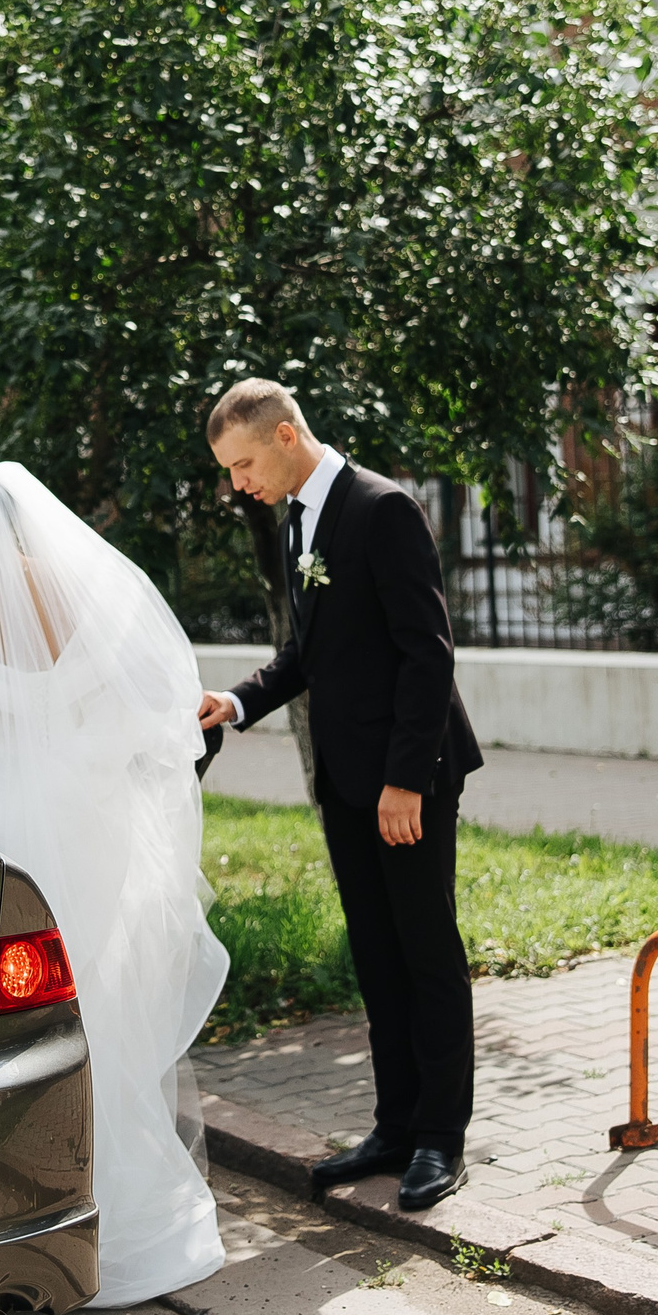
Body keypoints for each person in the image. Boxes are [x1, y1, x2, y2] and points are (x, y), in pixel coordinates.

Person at [0, 462, 231, 1309]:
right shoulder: (77, 588)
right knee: (97, 1007)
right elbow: (121, 702)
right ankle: (135, 1212)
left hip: (9, 826)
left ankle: (38, 1209)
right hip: (90, 820)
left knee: (28, 1020)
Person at [195, 379, 484, 1213]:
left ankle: (441, 1137)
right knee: (376, 953)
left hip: (406, 779)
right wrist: (239, 700)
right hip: (345, 780)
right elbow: (308, 654)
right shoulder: (295, 519)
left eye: (243, 463)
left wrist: (405, 779)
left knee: (426, 952)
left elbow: (427, 654)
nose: (238, 483)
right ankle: (395, 1126)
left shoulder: (381, 508)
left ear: (286, 436)